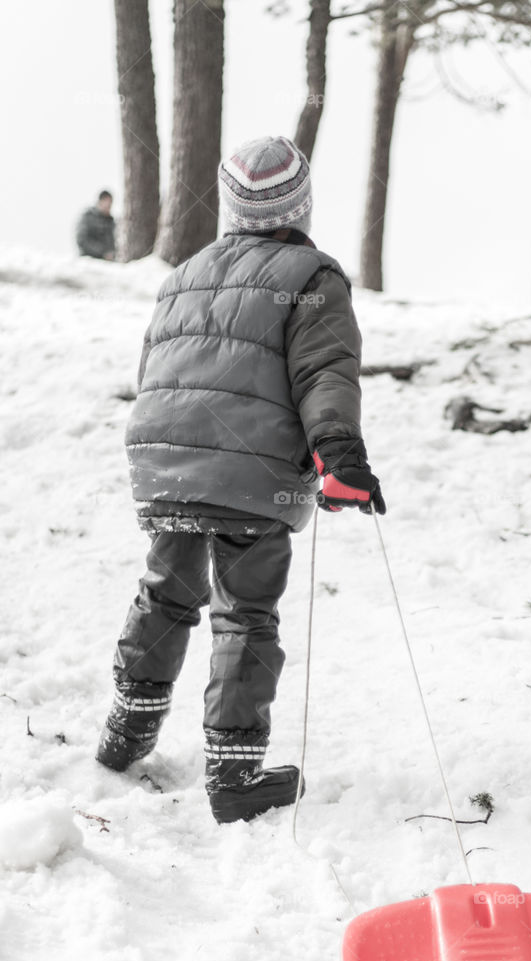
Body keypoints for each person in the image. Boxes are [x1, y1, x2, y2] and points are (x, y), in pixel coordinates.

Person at [96, 136, 385, 824]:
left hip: (165, 462)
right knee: (245, 612)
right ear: (301, 204)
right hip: (251, 476)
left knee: (166, 594)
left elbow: (158, 371)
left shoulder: (185, 273)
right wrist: (338, 453)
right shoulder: (312, 276)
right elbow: (323, 373)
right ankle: (232, 774)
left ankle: (124, 734)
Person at [76, 190, 116, 259]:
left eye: (110, 204)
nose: (109, 206)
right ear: (100, 201)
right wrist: (102, 252)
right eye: (107, 203)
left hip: (106, 263)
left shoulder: (110, 221)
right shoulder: (88, 217)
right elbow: (82, 240)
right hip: (89, 262)